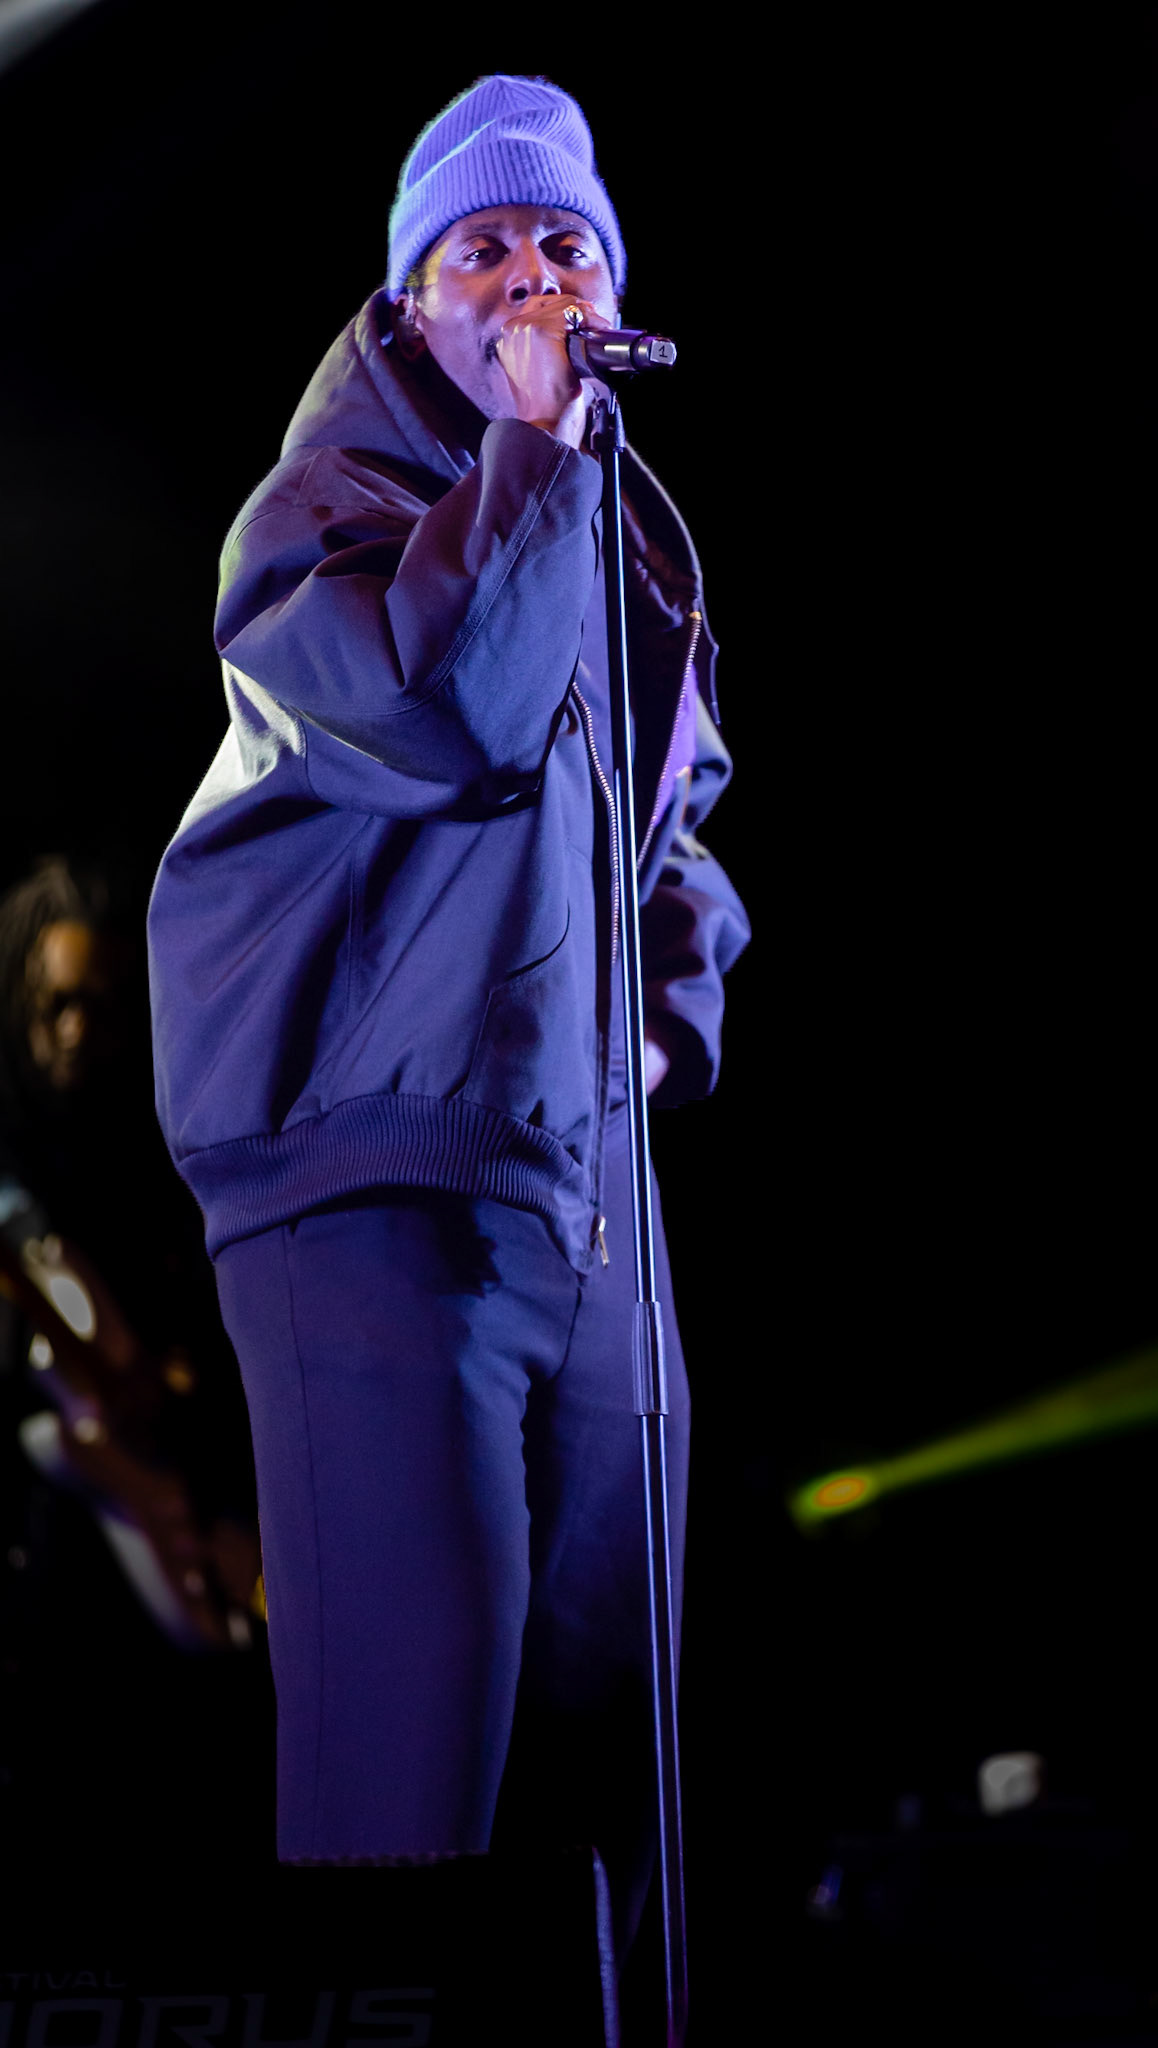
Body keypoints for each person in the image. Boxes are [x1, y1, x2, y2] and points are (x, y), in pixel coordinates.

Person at [146, 74, 748, 1953]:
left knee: (611, 1775)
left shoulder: (618, 537)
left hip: (578, 1201)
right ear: (412, 306)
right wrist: (538, 448)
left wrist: (657, 1017)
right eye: (476, 248)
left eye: (562, 241)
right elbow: (440, 712)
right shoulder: (327, 510)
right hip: (372, 1191)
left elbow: (672, 827)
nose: (528, 275)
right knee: (416, 1789)